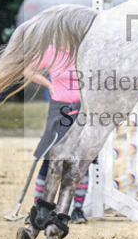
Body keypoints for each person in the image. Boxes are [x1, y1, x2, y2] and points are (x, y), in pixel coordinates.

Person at [23, 45, 90, 223]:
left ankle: (77, 210)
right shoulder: (51, 51)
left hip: (82, 111)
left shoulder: (84, 49)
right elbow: (28, 70)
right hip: (58, 110)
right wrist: (49, 85)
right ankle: (38, 209)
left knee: (81, 161)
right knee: (48, 160)